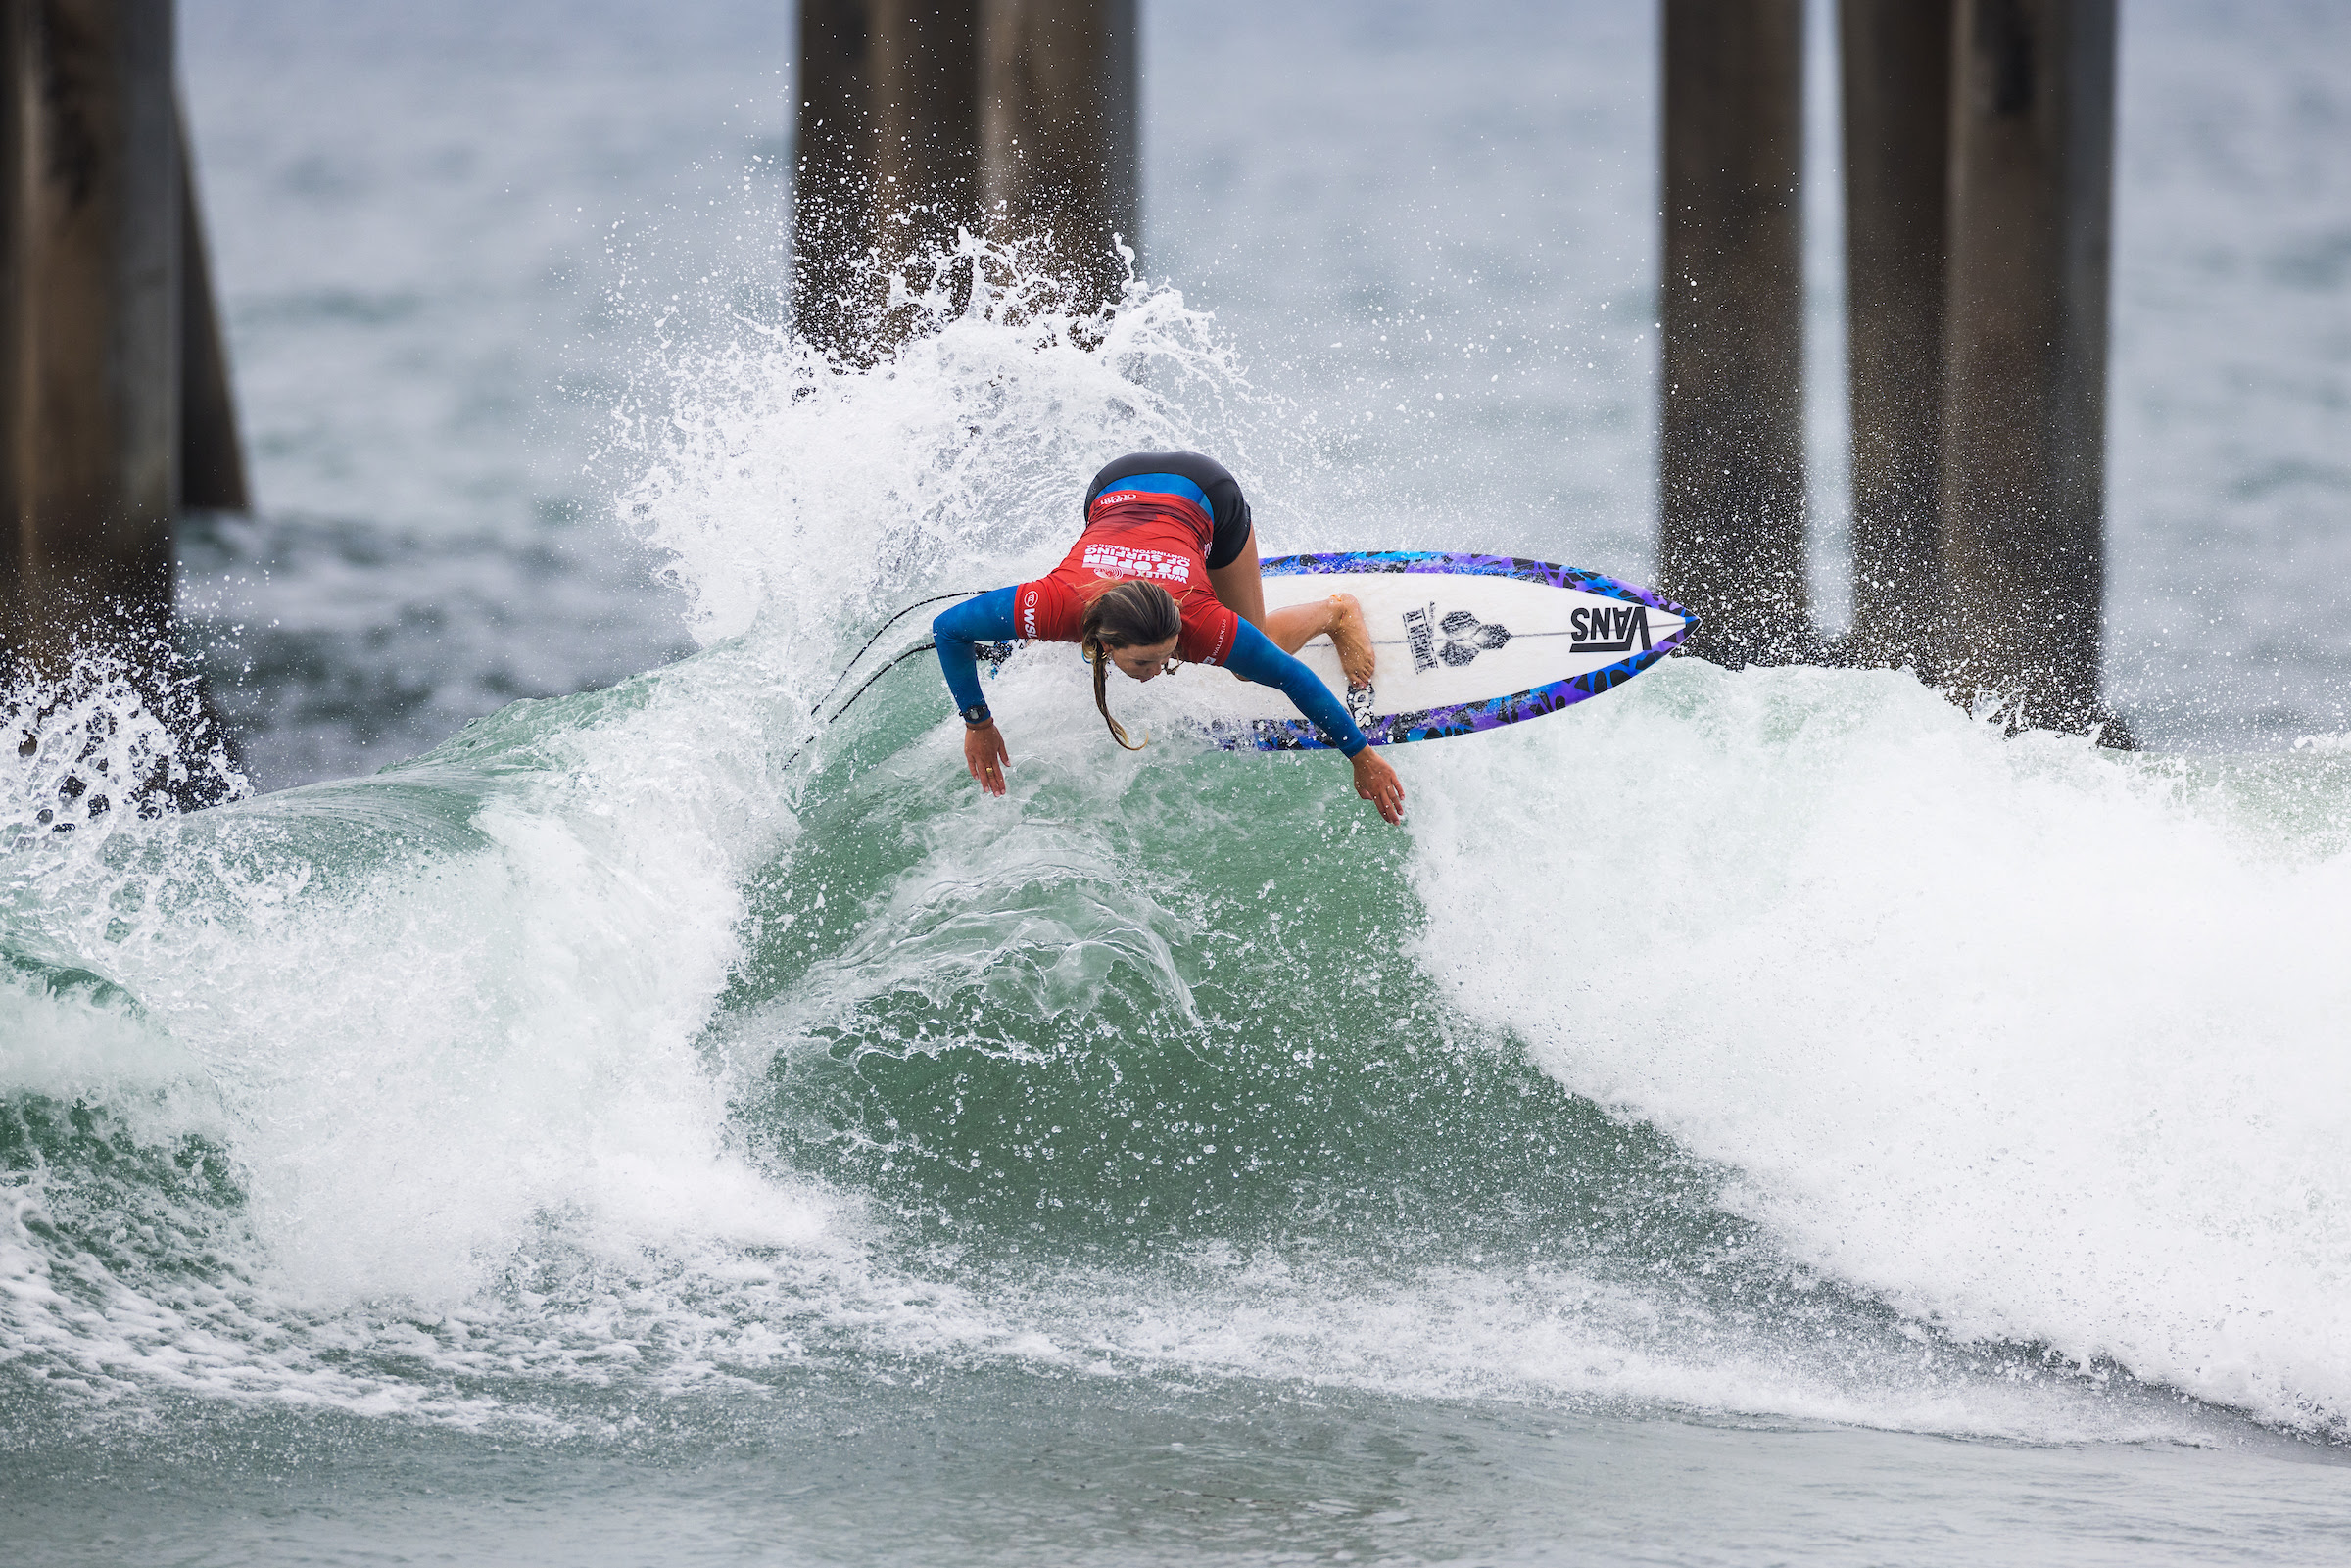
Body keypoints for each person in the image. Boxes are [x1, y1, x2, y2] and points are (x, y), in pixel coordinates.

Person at [932, 451, 1408, 825]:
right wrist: (978, 722)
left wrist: (1361, 755)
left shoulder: (1202, 624)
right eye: (1143, 663)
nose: (1155, 673)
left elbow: (1292, 678)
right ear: (1107, 641)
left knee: (1249, 658)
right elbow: (948, 628)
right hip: (1111, 488)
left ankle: (1336, 612)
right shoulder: (1056, 603)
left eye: (1162, 658)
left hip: (1208, 494)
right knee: (1038, 633)